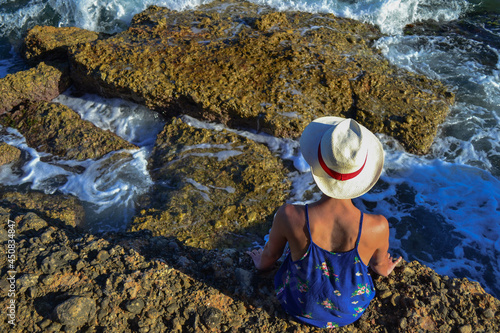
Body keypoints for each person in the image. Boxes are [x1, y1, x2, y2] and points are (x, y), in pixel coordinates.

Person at [247, 117, 401, 328]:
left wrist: (259, 261)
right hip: (350, 311)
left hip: (298, 305)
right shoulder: (377, 226)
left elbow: (269, 259)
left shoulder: (289, 215)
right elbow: (380, 268)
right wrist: (387, 265)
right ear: (362, 173)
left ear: (316, 164)